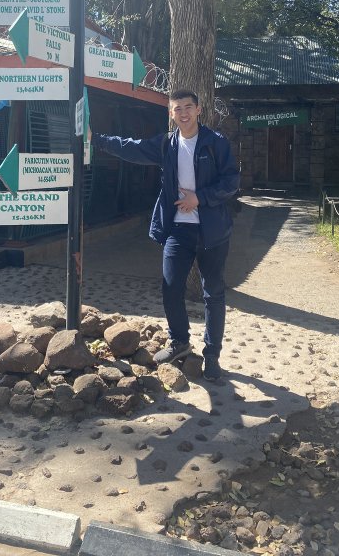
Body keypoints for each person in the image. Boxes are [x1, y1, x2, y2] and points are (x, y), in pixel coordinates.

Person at [92, 89, 240, 380]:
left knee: (213, 293)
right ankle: (179, 342)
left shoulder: (216, 143)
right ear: (171, 114)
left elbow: (231, 181)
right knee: (170, 288)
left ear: (198, 110)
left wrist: (200, 198)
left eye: (188, 107)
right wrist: (95, 139)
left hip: (212, 231)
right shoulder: (166, 144)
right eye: (177, 109)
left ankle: (212, 355)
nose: (183, 113)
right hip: (178, 229)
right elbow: (131, 148)